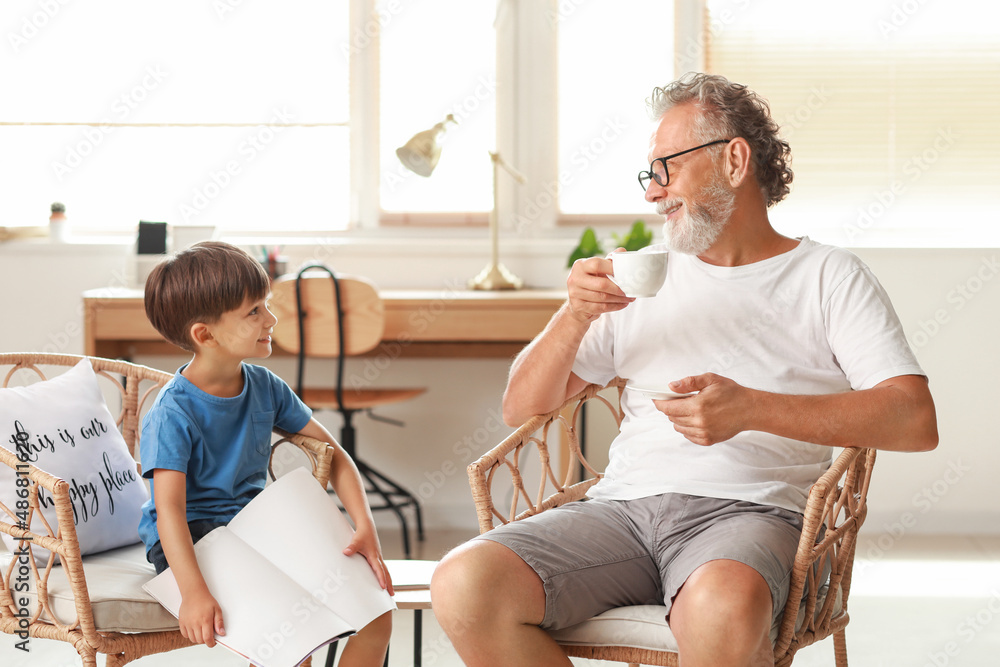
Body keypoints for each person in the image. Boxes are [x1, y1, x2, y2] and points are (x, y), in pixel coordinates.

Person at [431, 73, 938, 667]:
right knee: (465, 582)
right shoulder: (635, 277)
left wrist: (752, 408)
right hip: (619, 512)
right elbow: (522, 409)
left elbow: (914, 420)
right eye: (650, 173)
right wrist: (571, 316)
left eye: (665, 167)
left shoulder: (828, 277)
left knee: (722, 608)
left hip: (752, 513)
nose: (653, 192)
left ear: (734, 160)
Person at [137, 241, 392, 665]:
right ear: (205, 334)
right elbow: (169, 514)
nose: (271, 319)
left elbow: (337, 456)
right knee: (296, 642)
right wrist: (193, 591)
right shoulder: (171, 414)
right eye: (254, 311)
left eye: (266, 305)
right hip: (193, 537)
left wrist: (364, 526)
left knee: (376, 615)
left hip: (256, 522)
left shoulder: (265, 385)